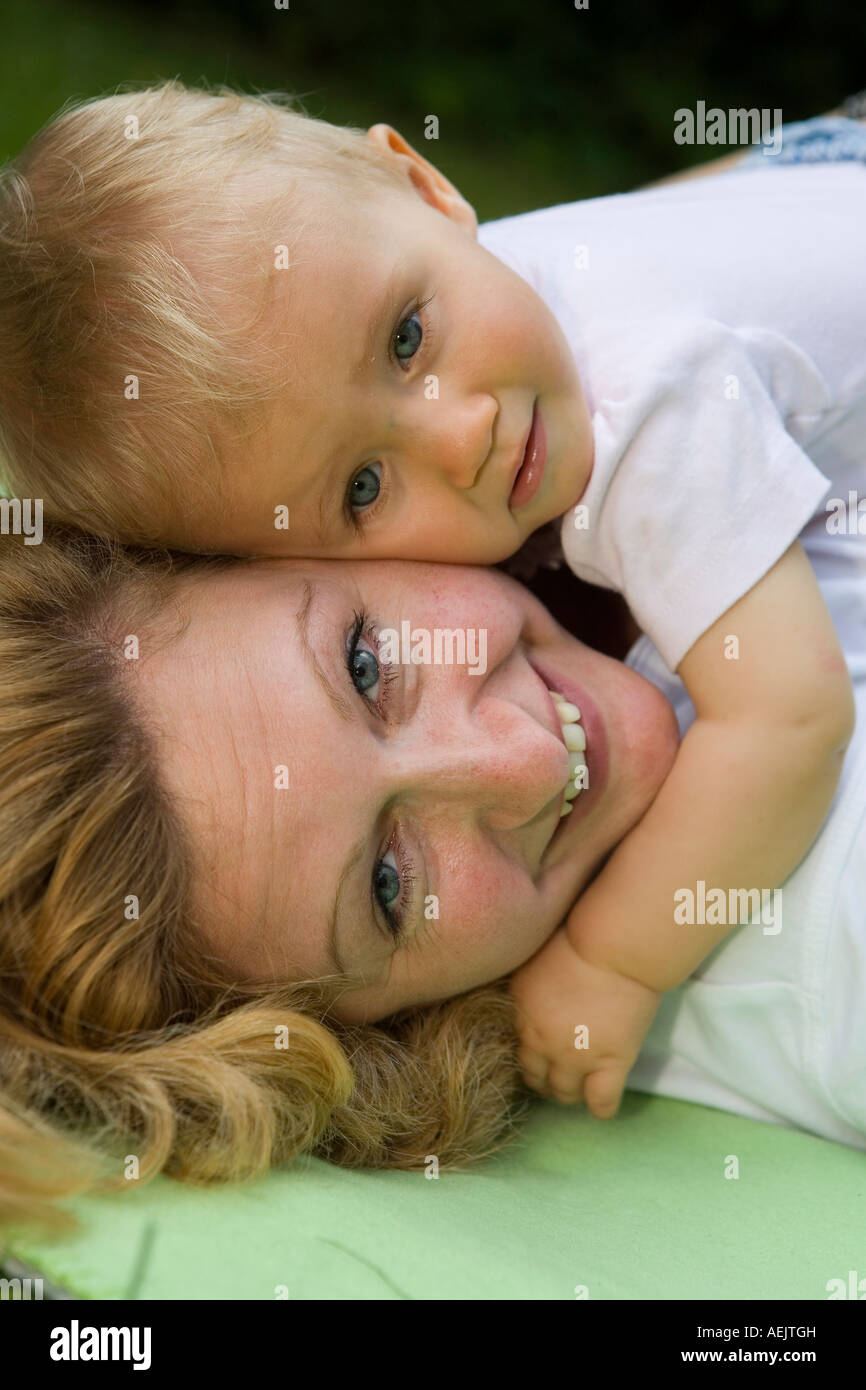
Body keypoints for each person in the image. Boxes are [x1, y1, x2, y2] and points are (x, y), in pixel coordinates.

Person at [0, 84, 861, 1115]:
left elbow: (789, 714)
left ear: (422, 182)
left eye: (364, 664)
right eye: (387, 886)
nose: (524, 759)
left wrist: (613, 962)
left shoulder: (638, 405)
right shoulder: (467, 296)